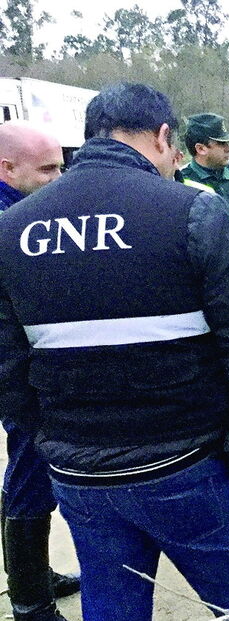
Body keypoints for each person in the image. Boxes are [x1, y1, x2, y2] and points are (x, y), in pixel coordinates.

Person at [0, 83, 229, 621]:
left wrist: (53, 443)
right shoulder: (194, 212)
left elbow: (8, 369)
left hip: (79, 476)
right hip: (186, 466)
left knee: (112, 607)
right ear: (162, 137)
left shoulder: (12, 229)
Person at [0, 122, 79, 621]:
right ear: (7, 169)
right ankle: (30, 599)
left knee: (29, 472)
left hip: (27, 364)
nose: (59, 177)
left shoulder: (22, 211)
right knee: (30, 471)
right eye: (47, 169)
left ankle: (34, 575)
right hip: (19, 372)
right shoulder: (9, 221)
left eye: (61, 166)